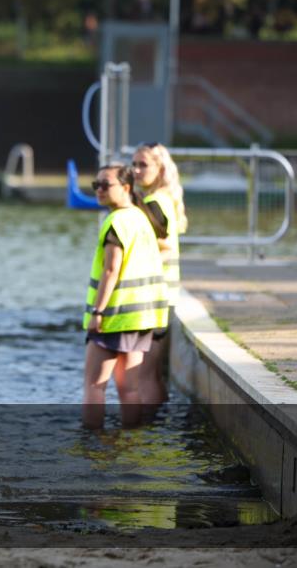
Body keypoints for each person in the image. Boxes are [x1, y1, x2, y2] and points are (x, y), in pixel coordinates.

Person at [82, 164, 168, 430]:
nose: (99, 190)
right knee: (129, 389)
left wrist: (98, 312)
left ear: (126, 188)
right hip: (141, 316)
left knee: (94, 387)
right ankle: (131, 443)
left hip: (115, 316)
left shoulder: (116, 222)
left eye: (105, 185)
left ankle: (91, 447)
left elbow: (111, 270)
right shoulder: (141, 219)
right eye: (95, 185)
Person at [132, 142, 187, 406]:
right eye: (134, 164)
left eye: (143, 165)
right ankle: (157, 431)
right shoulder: (166, 198)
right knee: (152, 374)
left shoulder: (155, 202)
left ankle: (145, 432)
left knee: (144, 376)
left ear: (160, 168)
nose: (136, 171)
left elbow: (162, 244)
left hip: (155, 297)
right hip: (165, 295)